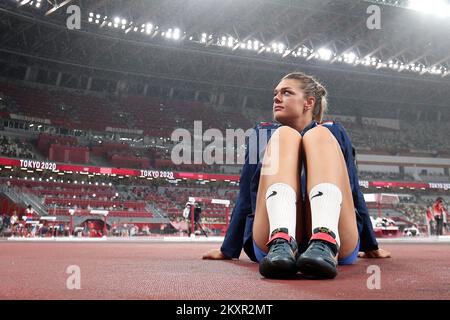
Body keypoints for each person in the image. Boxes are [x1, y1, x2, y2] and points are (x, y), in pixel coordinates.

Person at [203, 72, 390, 279]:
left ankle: (324, 240)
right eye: (276, 93)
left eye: (286, 93)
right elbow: (246, 196)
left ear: (308, 102)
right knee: (284, 135)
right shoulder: (261, 134)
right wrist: (228, 249)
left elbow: (353, 191)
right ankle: (282, 240)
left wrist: (370, 245)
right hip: (270, 240)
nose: (276, 98)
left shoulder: (334, 132)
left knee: (319, 134)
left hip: (337, 238)